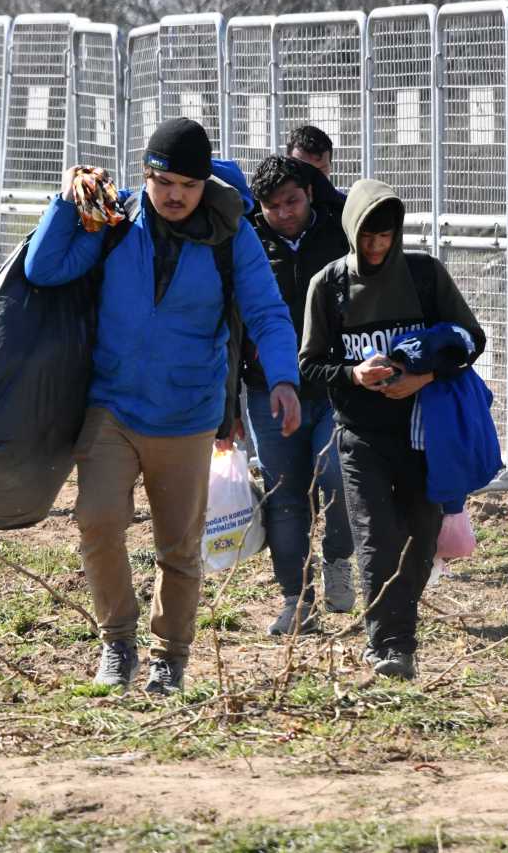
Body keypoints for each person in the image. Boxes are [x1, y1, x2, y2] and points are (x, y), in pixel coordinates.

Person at [25, 118, 302, 695]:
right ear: (144, 175)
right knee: (96, 521)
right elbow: (44, 269)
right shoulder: (117, 220)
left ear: (205, 185)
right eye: (162, 180)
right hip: (112, 405)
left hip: (188, 415)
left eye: (187, 184)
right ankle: (117, 641)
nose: (174, 194)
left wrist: (283, 378)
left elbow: (269, 313)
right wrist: (65, 200)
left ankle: (168, 656)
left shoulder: (233, 237)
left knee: (177, 546)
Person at [299, 178, 484, 680]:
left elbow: (472, 340)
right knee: (377, 538)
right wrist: (354, 374)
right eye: (367, 236)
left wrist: (423, 376)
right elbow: (311, 365)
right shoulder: (330, 285)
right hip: (361, 436)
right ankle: (392, 646)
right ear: (351, 231)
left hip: (425, 435)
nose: (376, 246)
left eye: (385, 236)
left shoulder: (424, 275)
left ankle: (396, 624)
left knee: (420, 540)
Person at [240, 155, 355, 636]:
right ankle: (296, 601)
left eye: (292, 201)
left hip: (333, 383)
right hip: (267, 388)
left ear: (310, 194)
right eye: (272, 206)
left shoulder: (337, 230)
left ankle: (339, 558)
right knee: (284, 494)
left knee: (338, 476)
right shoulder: (246, 239)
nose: (284, 213)